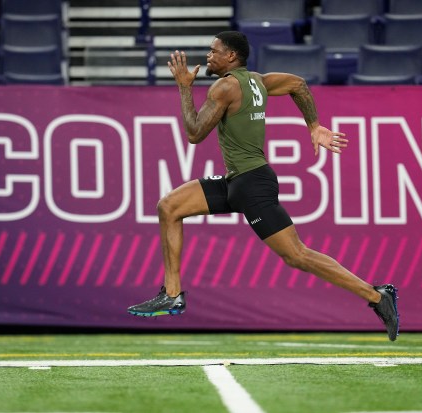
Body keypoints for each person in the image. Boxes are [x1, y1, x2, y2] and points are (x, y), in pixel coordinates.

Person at [127, 31, 400, 341]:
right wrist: (313, 125)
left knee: (297, 256)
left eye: (213, 51)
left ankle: (378, 296)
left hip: (252, 184)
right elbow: (298, 84)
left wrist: (184, 87)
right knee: (169, 206)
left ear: (230, 57)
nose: (208, 56)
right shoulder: (256, 80)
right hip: (236, 181)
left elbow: (194, 133)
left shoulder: (226, 86)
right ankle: (172, 294)